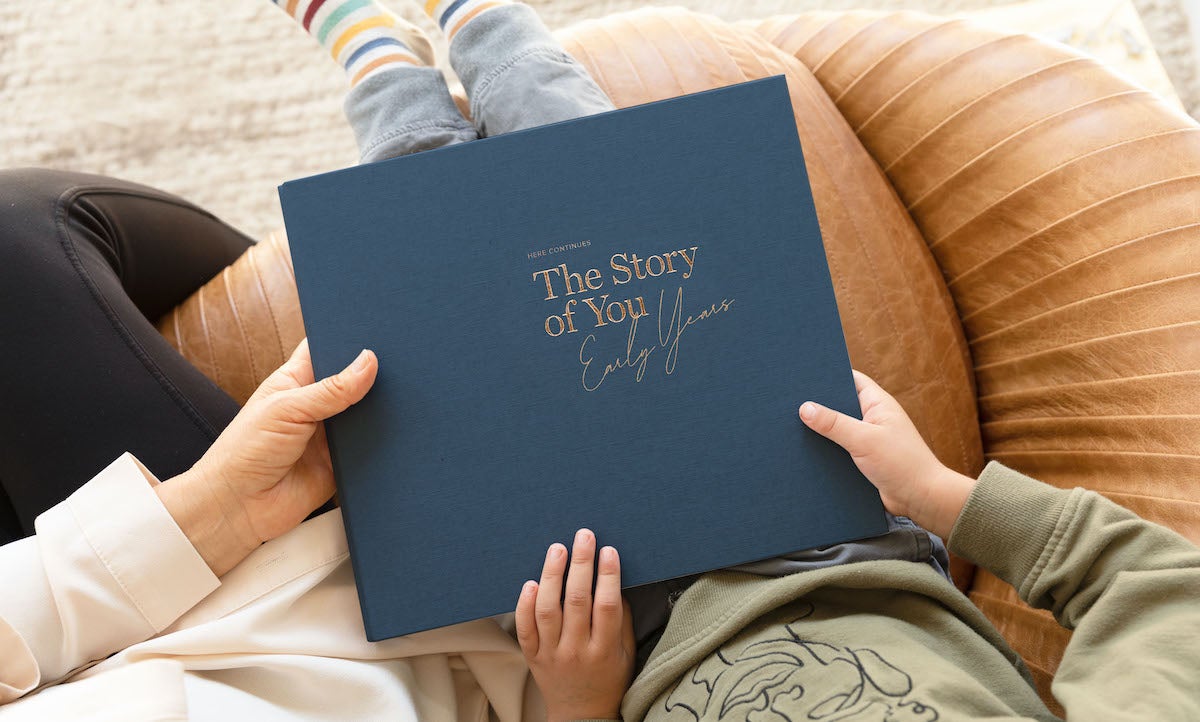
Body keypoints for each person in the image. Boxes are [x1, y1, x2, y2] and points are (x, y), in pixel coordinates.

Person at [0, 3, 1196, 722]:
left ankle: (384, 69)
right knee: (612, 210)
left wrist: (577, 698)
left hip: (610, 598)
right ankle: (487, 27)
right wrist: (940, 493)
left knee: (448, 311)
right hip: (834, 520)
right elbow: (1158, 591)